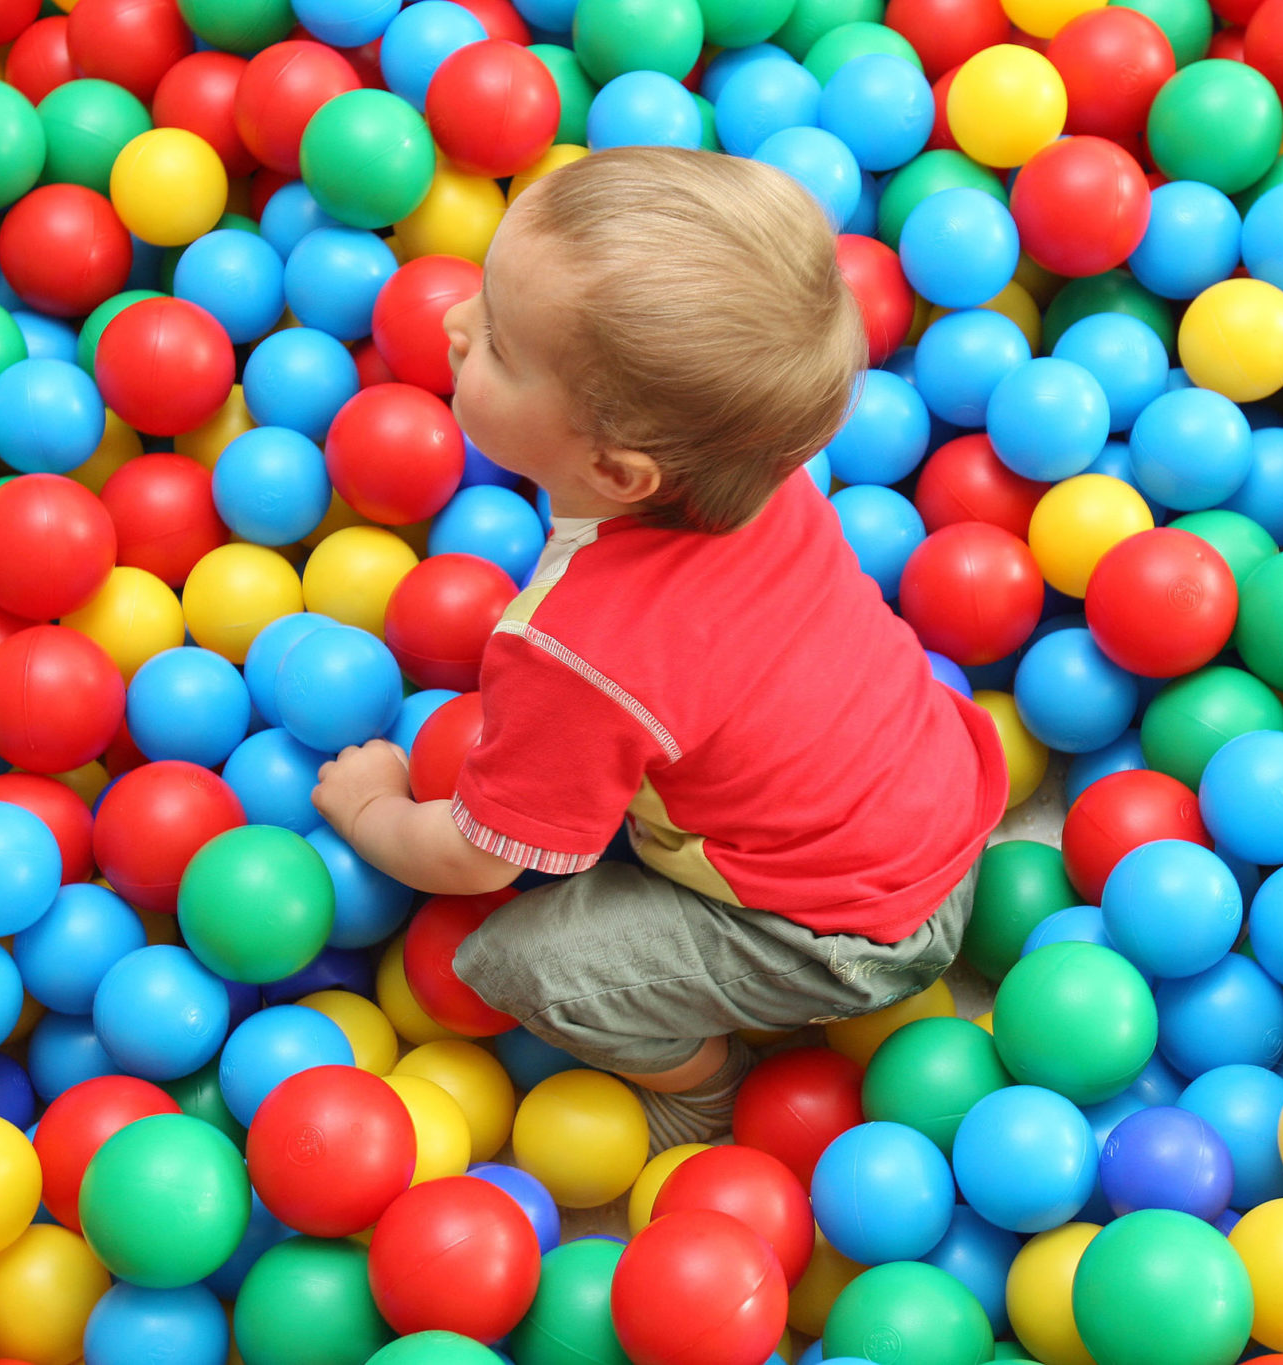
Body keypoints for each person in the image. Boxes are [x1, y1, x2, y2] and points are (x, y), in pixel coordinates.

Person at [312, 145, 1008, 1152]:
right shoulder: (767, 472)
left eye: (500, 345)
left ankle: (697, 1083)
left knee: (516, 965)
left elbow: (474, 858)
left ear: (618, 472)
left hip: (849, 935)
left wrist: (373, 807)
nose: (456, 324)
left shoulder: (572, 655)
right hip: (943, 792)